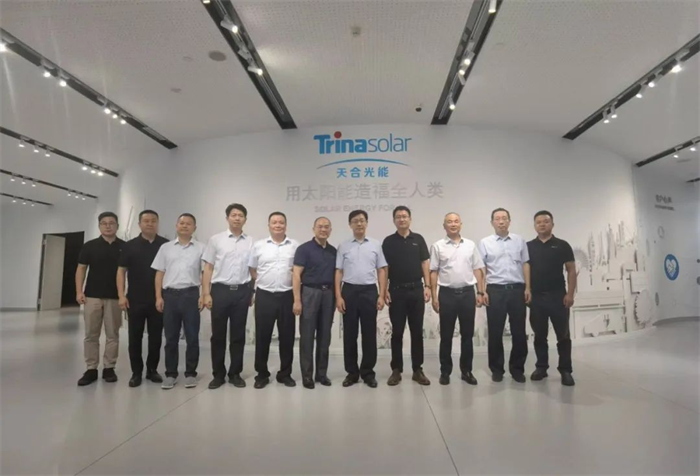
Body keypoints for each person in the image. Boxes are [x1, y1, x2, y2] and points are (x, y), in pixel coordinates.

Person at [202, 204, 254, 390]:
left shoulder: (251, 242)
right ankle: (218, 374)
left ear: (245, 219)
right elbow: (208, 268)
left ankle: (235, 373)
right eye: (233, 215)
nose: (237, 218)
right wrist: (206, 293)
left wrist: (252, 291)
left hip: (242, 291)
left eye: (241, 215)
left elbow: (252, 269)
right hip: (220, 291)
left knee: (238, 335)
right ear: (227, 218)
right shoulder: (216, 240)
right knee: (218, 335)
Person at [430, 212, 486, 386]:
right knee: (446, 335)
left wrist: (480, 292)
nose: (453, 224)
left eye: (456, 221)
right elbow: (433, 272)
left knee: (467, 335)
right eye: (449, 222)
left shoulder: (470, 245)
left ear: (461, 224)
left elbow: (478, 269)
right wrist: (434, 296)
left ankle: (466, 370)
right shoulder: (437, 246)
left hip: (467, 294)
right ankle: (445, 371)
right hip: (446, 295)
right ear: (444, 226)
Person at [335, 210, 388, 388]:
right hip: (349, 291)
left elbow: (381, 270)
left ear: (367, 223)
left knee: (369, 334)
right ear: (350, 224)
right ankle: (352, 373)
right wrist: (338, 296)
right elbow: (339, 271)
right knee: (349, 334)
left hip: (369, 291)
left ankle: (368, 373)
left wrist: (381, 294)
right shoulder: (343, 246)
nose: (359, 224)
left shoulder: (375, 244)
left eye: (362, 220)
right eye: (355, 221)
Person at [152, 213, 205, 390]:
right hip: (170, 296)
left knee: (192, 337)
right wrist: (158, 296)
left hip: (191, 295)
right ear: (176, 226)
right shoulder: (165, 248)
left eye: (189, 223)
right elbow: (159, 273)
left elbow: (205, 273)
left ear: (194, 228)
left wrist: (204, 295)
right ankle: (171, 374)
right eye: (182, 223)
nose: (185, 226)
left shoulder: (201, 248)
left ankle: (190, 374)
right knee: (171, 338)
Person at [479, 208, 531, 383]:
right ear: (492, 222)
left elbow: (525, 264)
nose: (501, 221)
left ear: (509, 221)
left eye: (504, 218)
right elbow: (482, 268)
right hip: (495, 290)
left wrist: (527, 288)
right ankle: (497, 369)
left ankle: (517, 369)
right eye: (497, 219)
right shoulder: (485, 242)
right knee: (495, 332)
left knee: (519, 331)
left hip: (517, 289)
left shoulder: (519, 241)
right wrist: (482, 290)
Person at [117, 210, 168, 387]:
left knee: (156, 337)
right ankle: (136, 372)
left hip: (158, 300)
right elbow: (121, 271)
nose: (150, 224)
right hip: (135, 299)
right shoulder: (129, 246)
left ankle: (152, 370)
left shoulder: (165, 245)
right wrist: (121, 295)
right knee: (134, 337)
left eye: (153, 221)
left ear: (157, 223)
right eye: (146, 221)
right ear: (139, 224)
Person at [248, 212, 299, 389]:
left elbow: (298, 271)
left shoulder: (294, 246)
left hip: (287, 295)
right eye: (274, 222)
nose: (278, 225)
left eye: (281, 222)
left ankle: (285, 374)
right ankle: (261, 374)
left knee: (287, 337)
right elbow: (252, 269)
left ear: (286, 225)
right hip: (265, 295)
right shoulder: (259, 246)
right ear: (269, 225)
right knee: (262, 337)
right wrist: (264, 280)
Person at [382, 206, 431, 386]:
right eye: (398, 217)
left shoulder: (418, 239)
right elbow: (384, 268)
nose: (402, 219)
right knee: (397, 332)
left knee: (417, 331)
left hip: (416, 289)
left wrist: (428, 286)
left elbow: (425, 263)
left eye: (404, 216)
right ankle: (396, 369)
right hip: (396, 291)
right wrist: (384, 289)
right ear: (394, 220)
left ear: (410, 219)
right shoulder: (388, 241)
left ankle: (417, 370)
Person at [527, 210, 577, 386]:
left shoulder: (562, 245)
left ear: (552, 224)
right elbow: (525, 270)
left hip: (558, 297)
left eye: (546, 221)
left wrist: (570, 294)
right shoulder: (528, 247)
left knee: (563, 335)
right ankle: (541, 367)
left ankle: (565, 370)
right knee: (539, 335)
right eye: (538, 222)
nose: (542, 224)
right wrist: (527, 290)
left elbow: (571, 270)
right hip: (537, 298)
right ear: (534, 225)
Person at [76, 212, 125, 386]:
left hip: (114, 298)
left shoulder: (124, 247)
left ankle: (109, 367)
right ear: (99, 226)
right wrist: (79, 291)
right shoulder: (89, 246)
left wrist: (124, 295)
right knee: (91, 334)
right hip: (92, 296)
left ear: (117, 226)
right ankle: (91, 368)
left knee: (113, 334)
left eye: (111, 223)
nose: (108, 226)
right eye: (104, 223)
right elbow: (81, 269)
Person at [293, 217, 337, 389]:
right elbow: (296, 275)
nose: (323, 229)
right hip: (309, 293)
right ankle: (307, 375)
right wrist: (297, 300)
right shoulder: (304, 249)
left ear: (330, 230)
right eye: (320, 226)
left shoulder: (333, 251)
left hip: (328, 294)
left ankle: (321, 374)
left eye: (326, 227)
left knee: (325, 336)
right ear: (313, 229)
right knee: (307, 336)